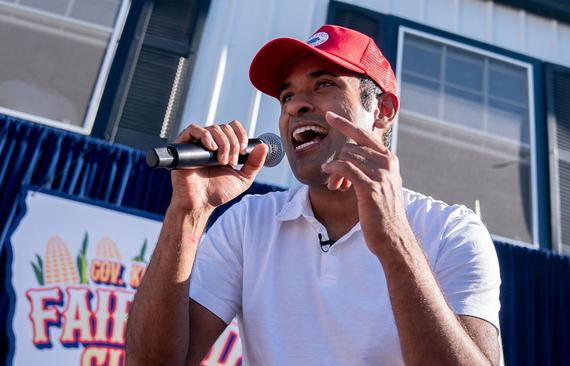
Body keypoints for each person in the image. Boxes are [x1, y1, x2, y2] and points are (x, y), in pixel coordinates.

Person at [126, 25, 502, 365]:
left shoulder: (452, 231)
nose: (294, 105)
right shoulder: (248, 224)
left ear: (382, 110)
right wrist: (188, 212)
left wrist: (394, 240)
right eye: (286, 95)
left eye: (324, 85)